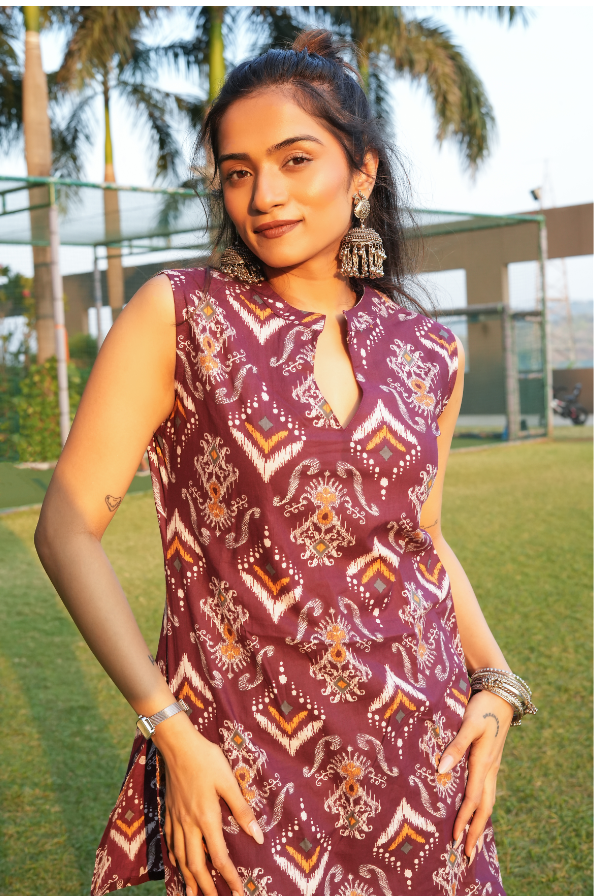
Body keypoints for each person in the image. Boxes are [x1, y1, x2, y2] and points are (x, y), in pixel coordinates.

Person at [34, 29, 536, 896]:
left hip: (422, 762)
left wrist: (493, 683)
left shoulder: (427, 351)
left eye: (294, 160)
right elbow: (66, 525)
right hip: (241, 764)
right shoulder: (178, 316)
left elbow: (420, 538)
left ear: (363, 172)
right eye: (237, 171)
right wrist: (169, 729)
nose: (263, 194)